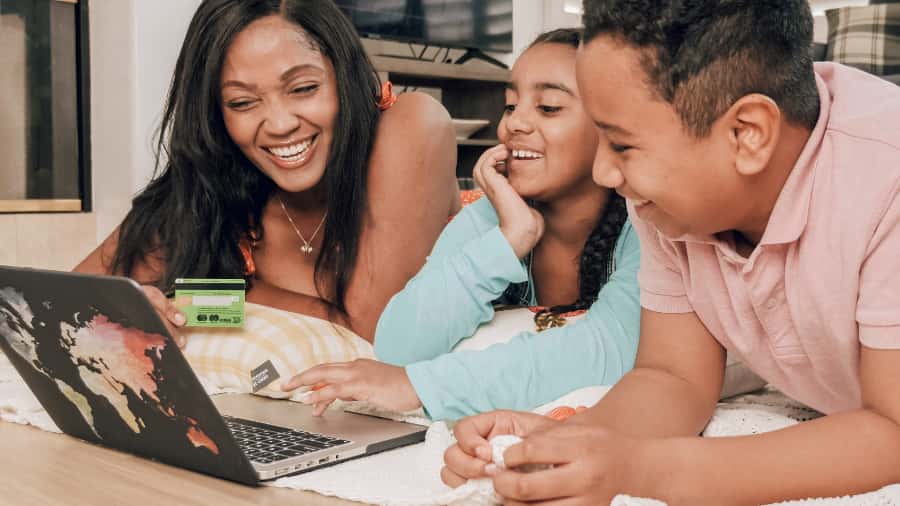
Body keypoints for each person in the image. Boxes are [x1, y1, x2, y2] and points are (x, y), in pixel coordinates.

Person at [441, 0, 900, 503]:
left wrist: (644, 469)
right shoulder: (669, 197)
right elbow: (674, 377)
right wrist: (574, 445)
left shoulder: (885, 181)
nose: (604, 174)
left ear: (746, 133)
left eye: (620, 145)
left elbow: (892, 431)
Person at [282, 29, 641, 420]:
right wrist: (509, 240)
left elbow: (611, 350)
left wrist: (421, 386)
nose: (514, 124)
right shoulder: (494, 215)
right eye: (510, 106)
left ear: (612, 127)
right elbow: (398, 346)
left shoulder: (647, 226)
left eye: (548, 107)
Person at [74, 0, 459, 345]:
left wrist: (197, 299)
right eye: (242, 102)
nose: (278, 124)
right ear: (216, 115)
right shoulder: (216, 192)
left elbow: (374, 331)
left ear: (344, 80)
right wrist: (145, 304)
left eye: (303, 88)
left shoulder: (410, 126)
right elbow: (61, 298)